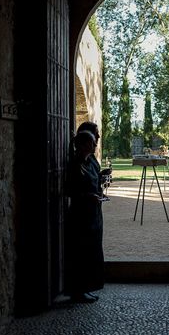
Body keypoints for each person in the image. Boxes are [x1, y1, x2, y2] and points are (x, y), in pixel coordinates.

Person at [65, 130, 105, 303]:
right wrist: (88, 196)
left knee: (92, 250)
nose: (95, 145)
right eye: (92, 142)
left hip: (92, 212)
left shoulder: (90, 162)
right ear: (82, 145)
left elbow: (93, 181)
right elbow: (70, 189)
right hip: (81, 214)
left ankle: (86, 287)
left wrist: (102, 176)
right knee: (81, 252)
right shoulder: (75, 164)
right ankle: (78, 290)